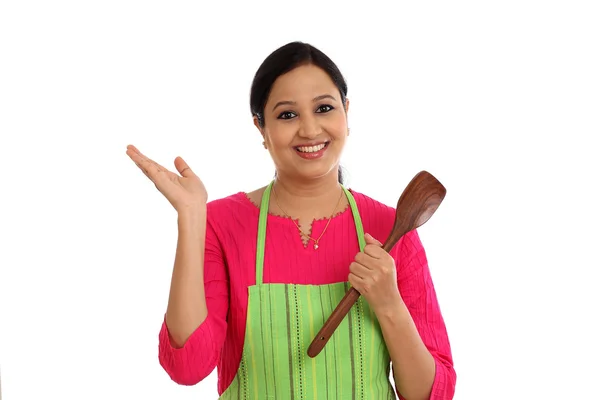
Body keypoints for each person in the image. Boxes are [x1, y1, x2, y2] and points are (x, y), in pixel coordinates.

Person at [126, 41, 456, 400]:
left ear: (346, 112)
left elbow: (431, 394)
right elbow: (187, 368)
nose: (310, 130)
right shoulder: (221, 224)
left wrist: (389, 303)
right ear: (260, 128)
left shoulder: (392, 229)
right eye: (287, 115)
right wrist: (192, 217)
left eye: (325, 108)